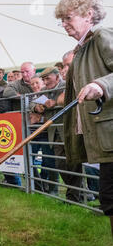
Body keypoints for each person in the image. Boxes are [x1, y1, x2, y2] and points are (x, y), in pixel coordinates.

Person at [55, 0, 113, 246]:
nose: (64, 23)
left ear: (88, 13)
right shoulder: (80, 50)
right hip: (105, 141)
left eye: (68, 17)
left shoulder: (103, 37)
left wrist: (102, 85)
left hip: (111, 136)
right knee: (110, 198)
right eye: (61, 20)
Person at [33, 67, 83, 202]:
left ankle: (73, 197)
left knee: (73, 163)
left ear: (56, 76)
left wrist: (55, 103)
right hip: (53, 132)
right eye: (43, 79)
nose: (45, 81)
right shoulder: (44, 91)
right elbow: (32, 103)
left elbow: (71, 99)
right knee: (61, 164)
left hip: (68, 129)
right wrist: (37, 107)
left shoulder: (66, 85)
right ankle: (80, 193)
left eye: (47, 78)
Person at [29, 75, 56, 194]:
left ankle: (52, 189)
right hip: (33, 131)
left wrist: (41, 113)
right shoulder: (29, 97)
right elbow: (28, 110)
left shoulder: (49, 93)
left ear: (42, 82)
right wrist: (35, 109)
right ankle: (39, 186)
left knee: (49, 161)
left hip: (46, 132)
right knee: (29, 159)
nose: (35, 86)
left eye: (37, 83)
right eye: (32, 84)